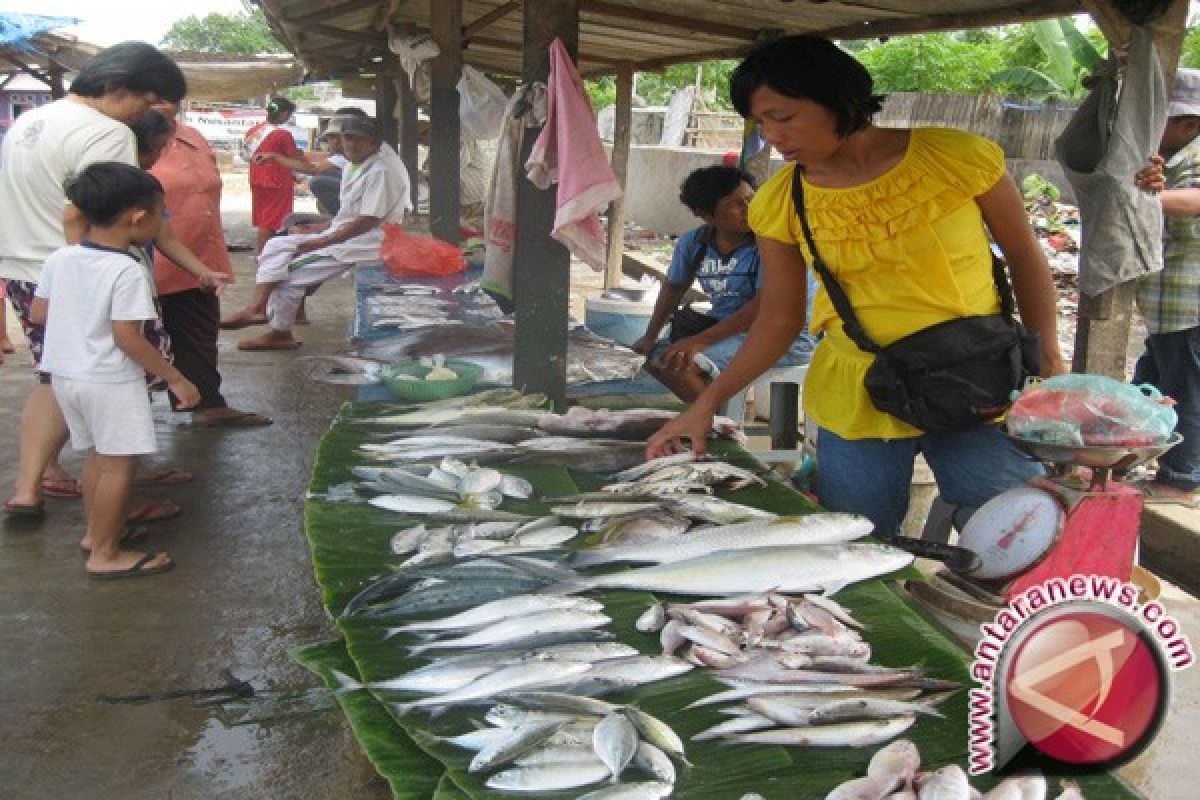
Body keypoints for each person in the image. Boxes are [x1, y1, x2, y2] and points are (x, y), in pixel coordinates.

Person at [647, 36, 1065, 537]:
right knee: (857, 541)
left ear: (834, 98)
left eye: (784, 116)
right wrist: (705, 405)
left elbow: (1023, 255)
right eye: (762, 122)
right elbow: (779, 319)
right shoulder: (783, 200)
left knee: (1018, 532)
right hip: (859, 392)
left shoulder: (954, 157)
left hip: (976, 379)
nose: (773, 136)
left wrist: (1050, 358)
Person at [0, 42, 218, 517]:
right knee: (115, 386)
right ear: (120, 88)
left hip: (26, 268)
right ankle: (117, 499)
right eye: (149, 103)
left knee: (54, 376)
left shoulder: (31, 121)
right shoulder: (106, 134)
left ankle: (30, 486)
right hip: (84, 278)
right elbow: (102, 212)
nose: (147, 117)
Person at [33, 162, 200, 577]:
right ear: (137, 217)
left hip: (67, 377)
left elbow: (38, 313)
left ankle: (97, 535)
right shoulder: (127, 269)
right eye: (161, 215)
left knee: (97, 460)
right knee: (119, 468)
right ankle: (105, 555)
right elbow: (128, 336)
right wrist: (175, 377)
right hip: (109, 380)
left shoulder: (62, 257)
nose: (162, 223)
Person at [221, 115, 412, 350]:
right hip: (347, 232)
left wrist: (324, 239)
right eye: (347, 139)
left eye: (359, 140)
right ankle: (257, 307)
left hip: (367, 241)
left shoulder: (380, 171)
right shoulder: (358, 160)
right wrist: (321, 228)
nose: (350, 145)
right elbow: (351, 213)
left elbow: (368, 220)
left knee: (288, 275)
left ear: (374, 143)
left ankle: (280, 332)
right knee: (276, 244)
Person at [631, 165, 815, 402]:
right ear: (706, 215)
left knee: (683, 365)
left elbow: (763, 306)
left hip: (783, 336)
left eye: (751, 199)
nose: (749, 209)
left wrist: (701, 340)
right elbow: (673, 289)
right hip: (729, 331)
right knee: (655, 359)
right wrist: (650, 337)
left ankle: (712, 425)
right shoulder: (694, 243)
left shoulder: (773, 243)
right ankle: (712, 417)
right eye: (737, 205)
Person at [144, 104, 273, 428]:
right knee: (142, 342)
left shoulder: (192, 137)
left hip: (197, 253)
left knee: (198, 333)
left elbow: (169, 231)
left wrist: (201, 267)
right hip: (150, 264)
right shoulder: (123, 145)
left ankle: (204, 401)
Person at [1130, 68, 1200, 507]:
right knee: (1148, 388)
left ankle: (1182, 478)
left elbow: (1194, 201)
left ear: (1189, 123)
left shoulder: (1196, 152)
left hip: (1188, 304)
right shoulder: (1172, 156)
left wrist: (1143, 199)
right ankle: (1122, 458)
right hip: (1164, 306)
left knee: (1186, 390)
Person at [244, 95, 300, 256]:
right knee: (271, 219)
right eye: (289, 115)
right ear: (283, 114)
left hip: (256, 176)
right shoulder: (283, 134)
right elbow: (293, 156)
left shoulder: (254, 131)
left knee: (264, 216)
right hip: (277, 179)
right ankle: (262, 253)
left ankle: (264, 252)